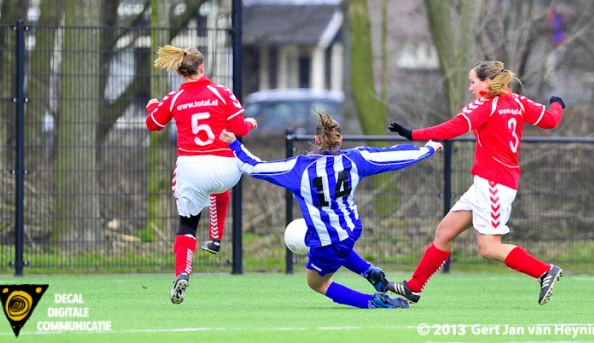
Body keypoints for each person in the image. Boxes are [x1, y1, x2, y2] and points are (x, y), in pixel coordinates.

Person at [220, 110, 443, 309]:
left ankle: (371, 301)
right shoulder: (355, 159)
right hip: (352, 229)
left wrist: (234, 144)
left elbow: (254, 167)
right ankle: (368, 271)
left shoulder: (299, 169)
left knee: (316, 282)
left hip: (328, 240)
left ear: (316, 140)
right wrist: (428, 149)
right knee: (340, 246)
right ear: (340, 139)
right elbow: (393, 156)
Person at [387, 60, 565, 306]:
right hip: (489, 182)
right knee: (445, 231)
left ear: (488, 82)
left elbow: (454, 127)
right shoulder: (519, 102)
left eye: (473, 82)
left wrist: (414, 134)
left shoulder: (486, 105)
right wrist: (557, 104)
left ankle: (545, 271)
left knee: (489, 248)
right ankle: (413, 287)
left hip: (494, 183)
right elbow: (551, 121)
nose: (470, 88)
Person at [145, 45, 257, 304]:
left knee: (187, 224)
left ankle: (183, 271)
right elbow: (240, 128)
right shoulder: (221, 92)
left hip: (192, 168)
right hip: (227, 167)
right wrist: (250, 123)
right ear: (202, 68)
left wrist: (152, 106)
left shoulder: (174, 98)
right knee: (219, 188)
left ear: (179, 71)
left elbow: (153, 125)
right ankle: (216, 239)